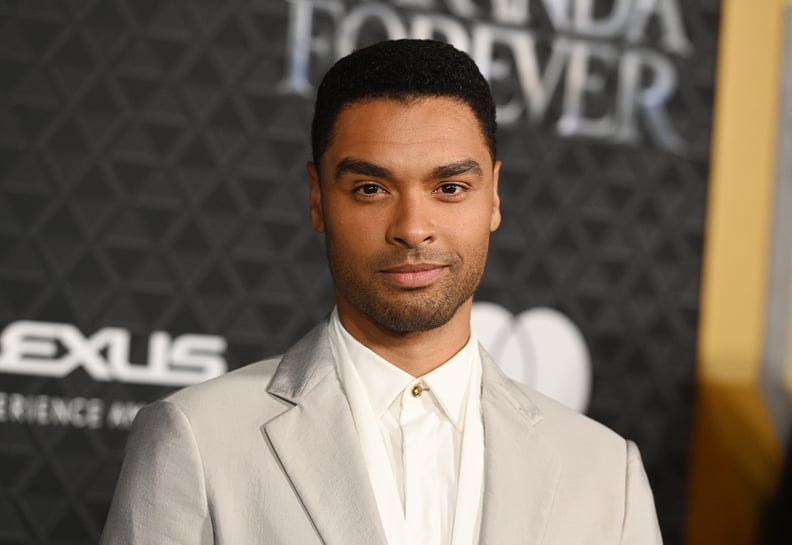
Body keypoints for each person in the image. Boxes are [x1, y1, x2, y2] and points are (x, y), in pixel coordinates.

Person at [100, 39, 662, 545]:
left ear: (493, 196)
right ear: (318, 197)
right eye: (371, 188)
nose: (413, 227)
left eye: (450, 187)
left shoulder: (606, 471)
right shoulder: (198, 439)